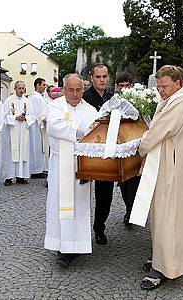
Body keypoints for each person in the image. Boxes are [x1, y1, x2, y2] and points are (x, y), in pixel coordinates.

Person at [130, 65, 183, 290]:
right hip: (170, 165)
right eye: (158, 87)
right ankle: (161, 258)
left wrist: (141, 146)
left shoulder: (182, 101)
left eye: (164, 86)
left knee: (169, 218)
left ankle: (164, 269)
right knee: (164, 217)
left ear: (178, 83)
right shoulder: (179, 98)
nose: (161, 91)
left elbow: (160, 130)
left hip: (173, 169)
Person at [44, 74, 97, 266]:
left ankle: (78, 244)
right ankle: (62, 246)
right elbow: (55, 127)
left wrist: (82, 131)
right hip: (61, 164)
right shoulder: (55, 106)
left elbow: (95, 132)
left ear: (83, 89)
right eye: (70, 90)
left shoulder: (90, 109)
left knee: (80, 205)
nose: (75, 94)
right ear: (64, 89)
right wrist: (81, 130)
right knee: (60, 205)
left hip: (83, 164)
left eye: (78, 89)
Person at [83, 64, 113, 244]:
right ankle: (80, 231)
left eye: (104, 76)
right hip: (88, 150)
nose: (102, 80)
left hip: (105, 151)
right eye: (98, 77)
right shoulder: (85, 98)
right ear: (92, 78)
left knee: (105, 193)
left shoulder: (112, 98)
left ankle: (99, 227)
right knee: (82, 193)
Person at [114, 72, 141, 227]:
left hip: (135, 144)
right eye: (121, 85)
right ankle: (128, 208)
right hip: (120, 144)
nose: (123, 88)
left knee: (134, 180)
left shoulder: (138, 100)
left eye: (126, 85)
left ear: (131, 85)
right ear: (118, 86)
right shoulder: (114, 100)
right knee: (123, 181)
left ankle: (131, 210)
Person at [2, 81, 36, 186]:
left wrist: (26, 118)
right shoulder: (8, 101)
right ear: (15, 88)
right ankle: (9, 177)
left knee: (23, 152)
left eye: (23, 88)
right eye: (19, 88)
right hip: (12, 131)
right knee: (11, 153)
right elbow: (3, 116)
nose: (21, 90)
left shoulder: (27, 101)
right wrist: (15, 117)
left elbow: (33, 116)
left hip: (23, 131)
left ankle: (21, 176)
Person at [29, 78, 48, 178]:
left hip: (41, 126)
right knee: (36, 147)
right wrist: (43, 119)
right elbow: (36, 113)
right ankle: (35, 170)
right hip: (36, 127)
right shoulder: (34, 98)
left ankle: (41, 168)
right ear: (37, 85)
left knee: (41, 148)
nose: (45, 87)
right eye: (43, 85)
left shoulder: (40, 97)